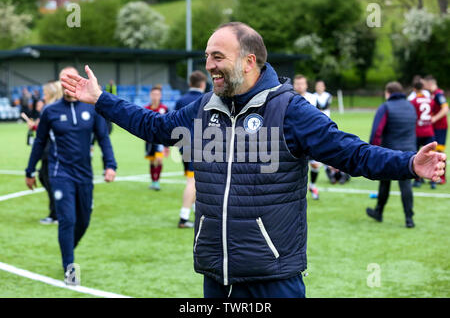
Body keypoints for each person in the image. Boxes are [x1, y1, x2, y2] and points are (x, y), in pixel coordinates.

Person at [61, 22, 445, 298]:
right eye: (207, 56)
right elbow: (155, 127)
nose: (209, 64)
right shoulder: (202, 110)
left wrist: (410, 164)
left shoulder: (289, 110)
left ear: (248, 61)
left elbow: (352, 153)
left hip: (273, 276)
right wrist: (102, 100)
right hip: (217, 274)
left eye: (217, 56)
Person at [25, 66, 117, 285]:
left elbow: (103, 138)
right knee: (67, 219)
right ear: (60, 83)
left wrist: (110, 165)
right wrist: (29, 170)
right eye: (63, 80)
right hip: (60, 173)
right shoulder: (50, 111)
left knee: (83, 221)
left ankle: (66, 248)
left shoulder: (92, 109)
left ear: (79, 80)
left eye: (71, 79)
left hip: (85, 174)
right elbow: (39, 142)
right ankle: (69, 266)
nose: (67, 84)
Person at [366, 82, 418, 228]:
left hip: (390, 151)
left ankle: (379, 212)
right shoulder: (410, 106)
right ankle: (409, 219)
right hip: (409, 152)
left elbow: (377, 131)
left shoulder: (386, 107)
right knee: (406, 185)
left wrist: (372, 151)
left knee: (384, 182)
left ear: (388, 93)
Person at [26, 81, 64, 224]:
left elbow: (47, 131)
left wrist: (35, 126)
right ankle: (56, 212)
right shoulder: (51, 108)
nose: (43, 95)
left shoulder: (50, 109)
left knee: (49, 180)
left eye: (45, 93)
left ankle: (56, 214)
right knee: (44, 177)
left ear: (50, 94)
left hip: (51, 150)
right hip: (49, 149)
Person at [174, 70, 207, 228]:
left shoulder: (181, 100)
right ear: (202, 84)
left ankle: (194, 211)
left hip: (184, 145)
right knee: (192, 181)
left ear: (189, 84)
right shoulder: (206, 99)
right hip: (199, 146)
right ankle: (183, 217)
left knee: (195, 180)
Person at [293, 74, 320, 200]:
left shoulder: (313, 98)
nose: (299, 86)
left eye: (302, 83)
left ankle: (313, 186)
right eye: (297, 84)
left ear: (306, 85)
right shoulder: (288, 97)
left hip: (310, 138)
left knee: (315, 165)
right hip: (294, 138)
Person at [409, 79, 436, 189]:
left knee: (417, 156)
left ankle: (417, 180)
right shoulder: (430, 100)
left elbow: (412, 116)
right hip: (429, 131)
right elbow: (432, 111)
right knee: (432, 156)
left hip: (417, 131)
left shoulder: (413, 101)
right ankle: (434, 181)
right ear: (423, 88)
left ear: (414, 89)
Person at [424, 75, 448, 184]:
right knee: (434, 151)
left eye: (425, 84)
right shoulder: (433, 95)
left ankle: (442, 178)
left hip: (441, 127)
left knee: (439, 150)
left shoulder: (438, 94)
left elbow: (445, 109)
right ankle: (436, 176)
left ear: (430, 83)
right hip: (435, 128)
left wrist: (434, 118)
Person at [144, 85, 169, 191]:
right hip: (149, 141)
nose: (155, 96)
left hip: (160, 140)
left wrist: (167, 145)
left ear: (160, 95)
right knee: (152, 161)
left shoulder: (164, 109)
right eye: (153, 94)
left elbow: (168, 126)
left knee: (159, 160)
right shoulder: (146, 109)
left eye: (157, 94)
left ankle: (156, 181)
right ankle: (153, 180)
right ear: (150, 95)